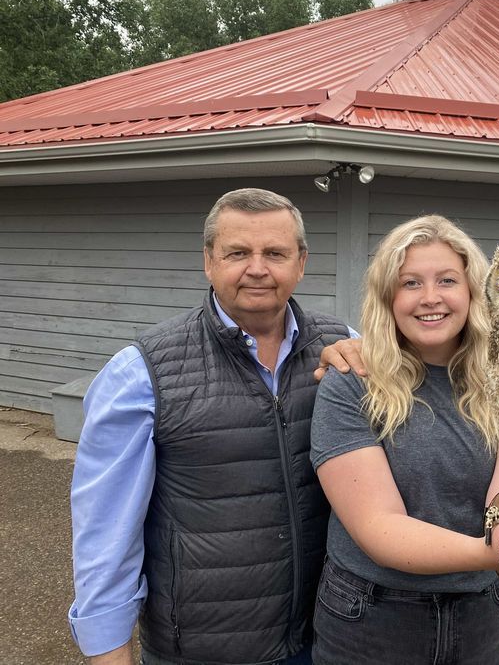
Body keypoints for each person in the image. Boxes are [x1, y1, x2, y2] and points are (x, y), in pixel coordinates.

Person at [69, 188, 353, 665]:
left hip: (325, 639)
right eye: (238, 252)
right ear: (208, 261)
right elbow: (106, 533)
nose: (258, 268)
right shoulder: (141, 372)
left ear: (301, 263)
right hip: (203, 649)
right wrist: (107, 651)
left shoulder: (346, 349)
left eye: (275, 253)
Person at [309, 215, 499, 665]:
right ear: (387, 297)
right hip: (374, 615)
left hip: (484, 614)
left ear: (474, 290)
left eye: (447, 280)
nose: (430, 298)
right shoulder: (352, 382)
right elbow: (379, 529)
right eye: (410, 282)